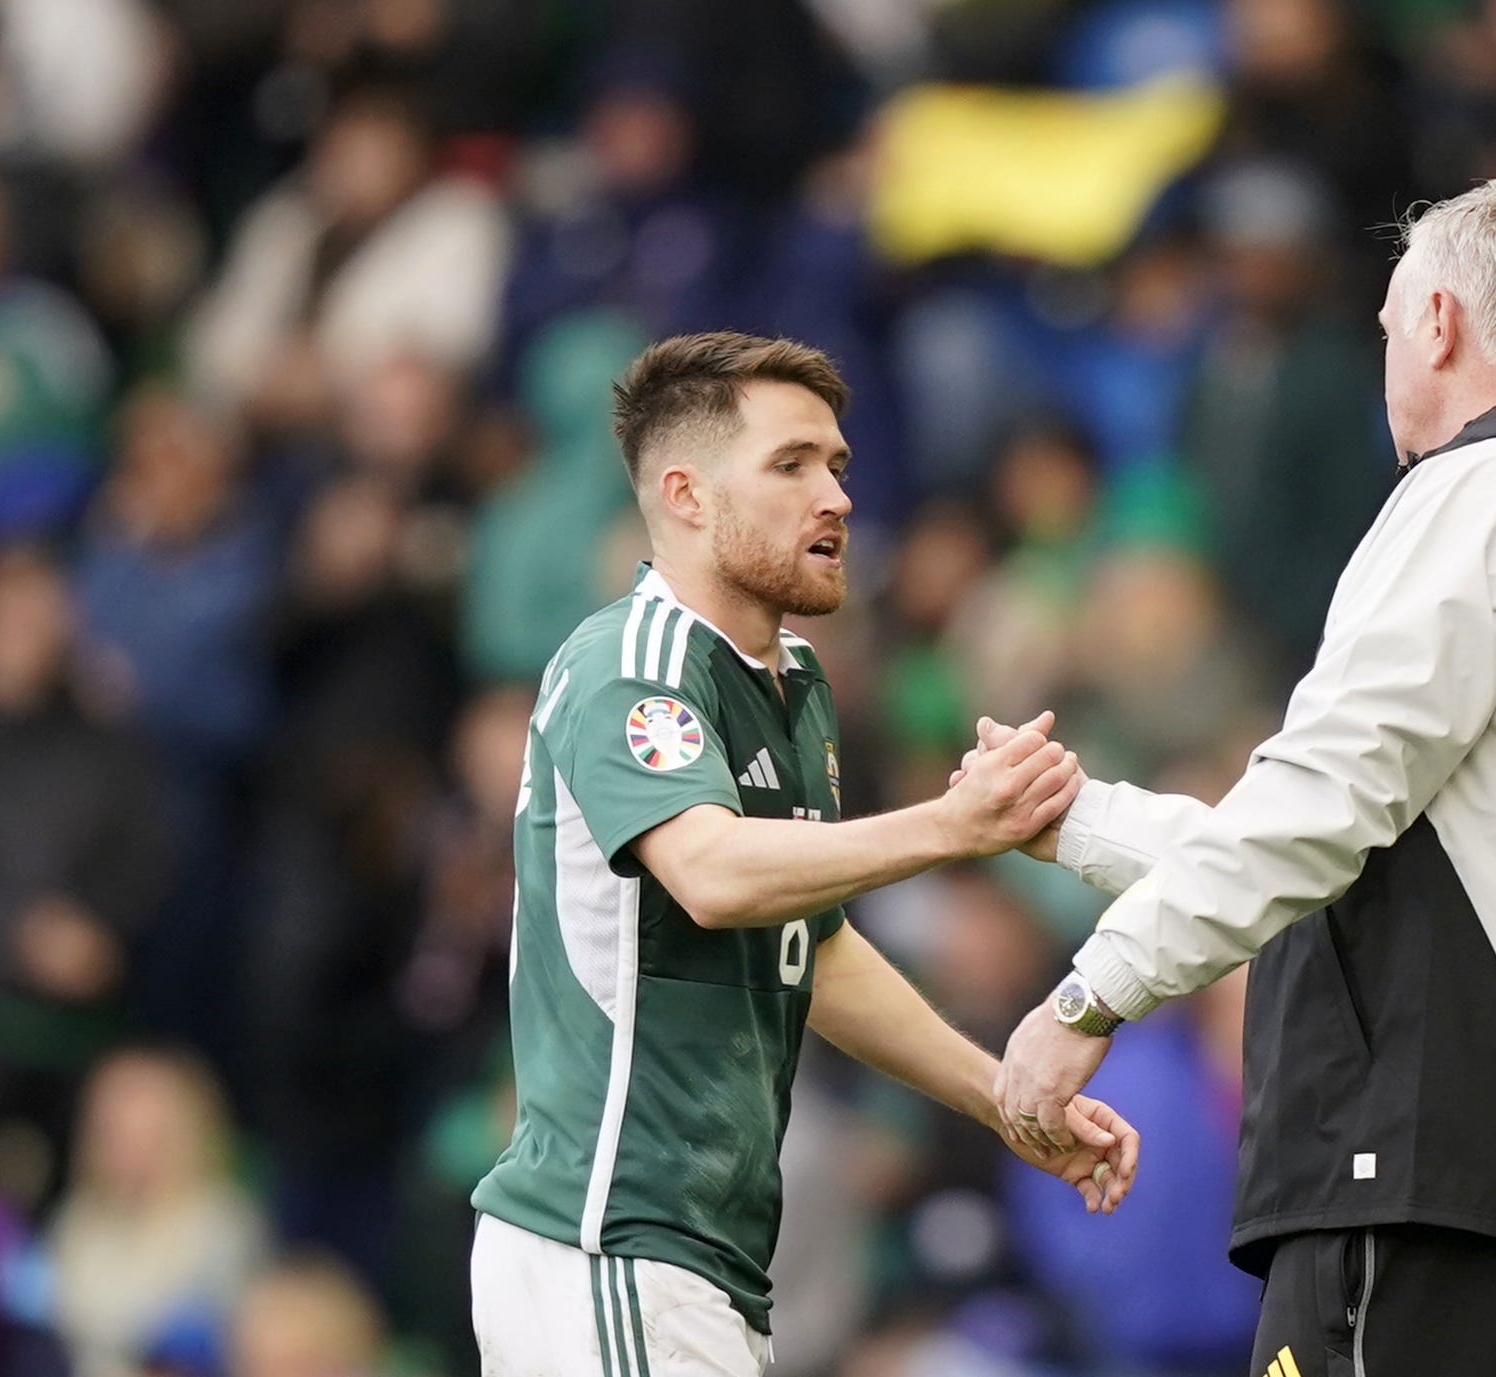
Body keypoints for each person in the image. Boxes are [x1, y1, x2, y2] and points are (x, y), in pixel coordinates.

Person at [987, 176, 1496, 1376]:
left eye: (1387, 325)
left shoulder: (1482, 486)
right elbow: (1366, 857)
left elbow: (1323, 808)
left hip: (1411, 1171)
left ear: (1438, 323)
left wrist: (1090, 997)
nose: (1383, 354)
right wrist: (1082, 820)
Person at [468, 332, 1139, 1377]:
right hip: (606, 1239)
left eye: (835, 466)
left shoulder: (796, 686)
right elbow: (712, 873)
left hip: (706, 1260)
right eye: (789, 466)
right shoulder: (628, 662)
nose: (833, 497)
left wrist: (997, 1094)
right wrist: (948, 825)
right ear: (685, 495)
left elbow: (812, 955)